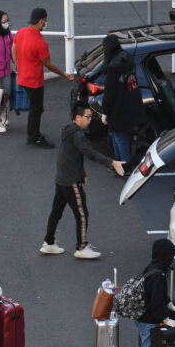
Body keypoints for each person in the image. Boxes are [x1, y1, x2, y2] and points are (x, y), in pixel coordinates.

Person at [40, 103, 126, 259]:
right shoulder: (78, 135)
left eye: (91, 117)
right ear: (78, 117)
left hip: (62, 177)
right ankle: (82, 247)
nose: (90, 120)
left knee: (56, 211)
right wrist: (112, 162)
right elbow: (90, 153)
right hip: (71, 180)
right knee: (82, 214)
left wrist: (83, 173)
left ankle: (49, 243)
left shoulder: (68, 129)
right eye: (88, 117)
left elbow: (74, 155)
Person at [12, 7, 75, 149]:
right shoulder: (41, 44)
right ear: (41, 21)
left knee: (34, 108)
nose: (46, 23)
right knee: (37, 109)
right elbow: (48, 65)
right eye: (46, 21)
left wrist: (18, 65)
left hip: (22, 78)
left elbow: (13, 49)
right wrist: (64, 74)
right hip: (35, 82)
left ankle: (31, 134)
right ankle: (34, 137)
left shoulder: (21, 32)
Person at [101, 34, 147, 173]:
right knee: (117, 134)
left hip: (117, 107)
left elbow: (109, 92)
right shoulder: (126, 57)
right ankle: (120, 163)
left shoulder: (112, 68)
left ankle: (123, 165)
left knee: (118, 136)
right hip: (130, 103)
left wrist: (105, 112)